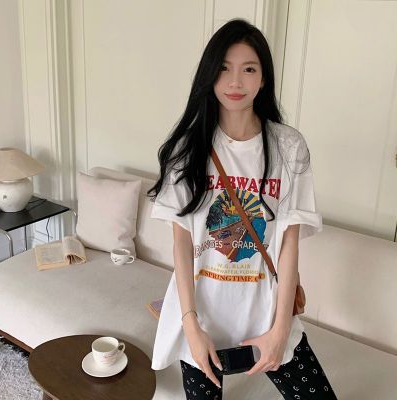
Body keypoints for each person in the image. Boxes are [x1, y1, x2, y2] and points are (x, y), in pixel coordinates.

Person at [148, 18, 338, 400]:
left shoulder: (288, 147)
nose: (235, 81)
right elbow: (182, 245)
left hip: (266, 312)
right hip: (202, 317)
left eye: (249, 69)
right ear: (209, 74)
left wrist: (280, 330)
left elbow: (288, 245)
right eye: (224, 68)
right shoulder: (187, 150)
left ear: (263, 78)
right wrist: (190, 325)